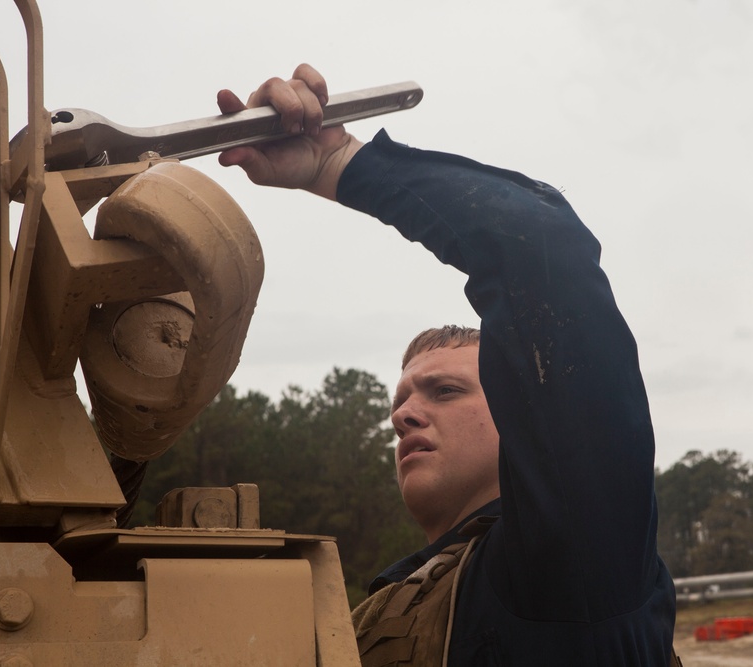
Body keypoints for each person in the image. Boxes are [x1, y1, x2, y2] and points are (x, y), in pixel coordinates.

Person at [216, 64, 678, 666]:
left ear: (522, 414)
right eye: (401, 401)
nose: (404, 415)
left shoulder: (575, 559)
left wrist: (338, 165)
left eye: (444, 391)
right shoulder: (388, 600)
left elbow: (537, 248)